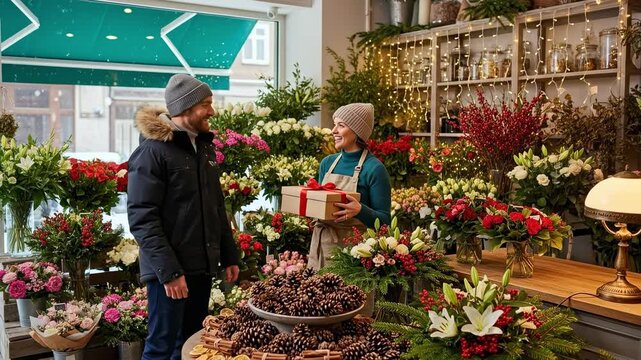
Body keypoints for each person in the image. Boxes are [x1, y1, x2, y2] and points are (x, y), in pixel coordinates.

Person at [127, 74, 240, 360]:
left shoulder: (203, 148)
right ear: (185, 108)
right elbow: (142, 218)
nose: (212, 112)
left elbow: (216, 206)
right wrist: (170, 272)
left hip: (201, 267)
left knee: (192, 344)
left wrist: (229, 255)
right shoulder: (152, 152)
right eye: (206, 104)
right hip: (169, 273)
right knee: (161, 347)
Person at [307, 103, 392, 270]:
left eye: (341, 125)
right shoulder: (327, 163)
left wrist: (360, 210)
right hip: (322, 246)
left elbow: (385, 222)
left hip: (354, 255)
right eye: (335, 124)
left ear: (357, 131)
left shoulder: (374, 169)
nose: (333, 130)